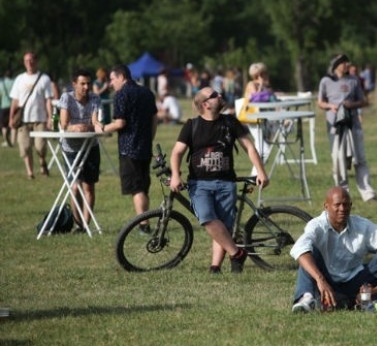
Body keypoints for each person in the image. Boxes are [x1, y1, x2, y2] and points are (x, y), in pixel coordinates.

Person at [169, 87, 269, 273]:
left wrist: (261, 171)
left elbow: (249, 148)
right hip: (199, 183)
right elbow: (177, 153)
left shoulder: (230, 122)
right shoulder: (192, 125)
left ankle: (215, 267)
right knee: (207, 218)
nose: (220, 95)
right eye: (214, 95)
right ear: (205, 104)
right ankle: (237, 253)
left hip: (226, 183)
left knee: (224, 226)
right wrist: (176, 174)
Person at [97, 64, 157, 233]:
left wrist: (101, 129)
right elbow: (154, 119)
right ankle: (145, 221)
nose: (110, 84)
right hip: (145, 146)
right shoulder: (147, 92)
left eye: (112, 79)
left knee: (136, 189)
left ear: (122, 76)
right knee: (143, 187)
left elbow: (120, 122)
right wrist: (149, 139)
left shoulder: (122, 94)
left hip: (128, 148)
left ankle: (144, 226)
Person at [318, 54, 376, 202]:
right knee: (338, 160)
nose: (347, 65)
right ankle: (342, 193)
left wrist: (352, 105)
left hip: (353, 123)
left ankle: (367, 192)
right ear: (336, 65)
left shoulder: (354, 80)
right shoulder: (326, 81)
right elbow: (320, 102)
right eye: (343, 63)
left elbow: (363, 101)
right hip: (335, 126)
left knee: (359, 158)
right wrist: (331, 106)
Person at [59, 69, 102, 232]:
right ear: (74, 84)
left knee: (88, 187)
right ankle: (78, 223)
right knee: (75, 187)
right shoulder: (66, 98)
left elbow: (96, 122)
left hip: (90, 147)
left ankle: (85, 225)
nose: (86, 87)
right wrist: (74, 127)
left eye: (88, 83)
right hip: (70, 148)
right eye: (82, 83)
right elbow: (64, 124)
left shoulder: (95, 98)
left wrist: (89, 126)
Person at [9, 51, 53, 179]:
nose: (29, 63)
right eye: (27, 61)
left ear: (36, 61)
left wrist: (50, 117)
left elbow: (48, 100)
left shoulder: (44, 78)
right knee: (25, 146)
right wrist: (11, 117)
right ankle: (30, 172)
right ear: (24, 63)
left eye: (31, 60)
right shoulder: (19, 79)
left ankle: (42, 162)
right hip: (23, 119)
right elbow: (15, 101)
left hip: (40, 119)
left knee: (40, 146)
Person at [241, 62, 276, 175]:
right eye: (263, 73)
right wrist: (260, 85)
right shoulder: (252, 84)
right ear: (257, 75)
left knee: (261, 148)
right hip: (253, 120)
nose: (266, 75)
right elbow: (255, 98)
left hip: (263, 120)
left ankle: (255, 175)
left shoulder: (266, 86)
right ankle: (256, 175)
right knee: (264, 149)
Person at [0, 68, 15, 147]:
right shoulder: (14, 82)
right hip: (13, 106)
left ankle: (6, 141)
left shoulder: (2, 83)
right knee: (12, 124)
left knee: (3, 125)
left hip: (4, 106)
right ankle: (12, 141)